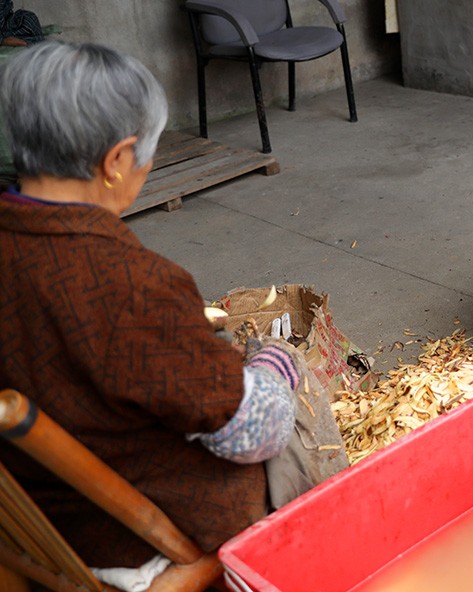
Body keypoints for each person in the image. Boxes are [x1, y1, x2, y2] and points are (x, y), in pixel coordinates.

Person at [0, 42, 339, 573]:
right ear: (115, 161)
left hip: (29, 523)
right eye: (146, 154)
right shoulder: (132, 286)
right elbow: (255, 432)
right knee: (289, 393)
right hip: (127, 536)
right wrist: (273, 363)